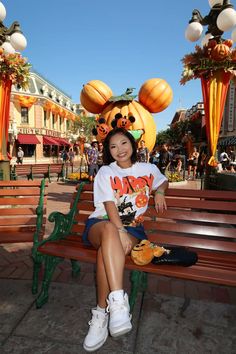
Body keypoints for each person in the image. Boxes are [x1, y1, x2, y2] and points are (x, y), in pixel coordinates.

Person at [82, 127, 168, 352]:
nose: (119, 149)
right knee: (110, 230)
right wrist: (119, 230)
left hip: (134, 230)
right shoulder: (105, 172)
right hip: (100, 225)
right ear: (108, 151)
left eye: (123, 143)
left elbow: (162, 181)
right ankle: (118, 302)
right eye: (113, 146)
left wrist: (159, 191)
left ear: (132, 144)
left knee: (105, 253)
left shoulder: (148, 168)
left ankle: (101, 312)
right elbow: (109, 204)